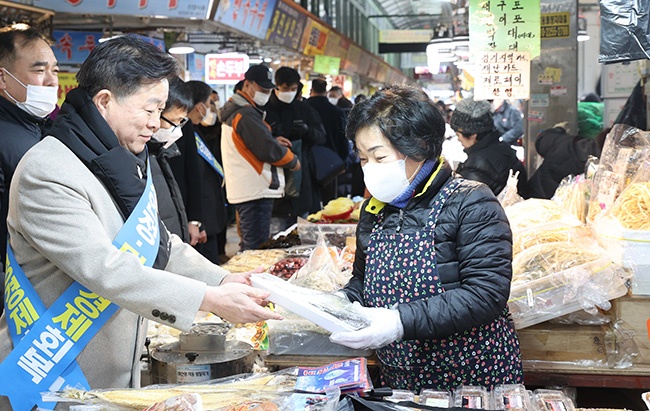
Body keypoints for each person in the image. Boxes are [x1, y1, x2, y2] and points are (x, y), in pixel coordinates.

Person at [0, 36, 280, 410]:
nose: (155, 124)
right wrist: (208, 299)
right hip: (55, 375)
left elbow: (159, 243)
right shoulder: (48, 171)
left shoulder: (118, 158)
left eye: (161, 110)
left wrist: (222, 279)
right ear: (104, 101)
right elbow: (105, 269)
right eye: (149, 110)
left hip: (111, 373)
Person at [329, 85, 523, 392]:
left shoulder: (471, 201)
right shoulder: (375, 208)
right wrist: (341, 301)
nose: (370, 170)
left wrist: (398, 322)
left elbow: (486, 293)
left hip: (471, 376)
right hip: (401, 377)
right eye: (363, 159)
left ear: (419, 147)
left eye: (379, 156)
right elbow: (362, 280)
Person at [0, 24, 59, 318]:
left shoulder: (40, 129)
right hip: (15, 294)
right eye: (39, 70)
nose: (50, 81)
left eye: (55, 70)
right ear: (2, 77)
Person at [219, 64, 300, 251]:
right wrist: (291, 160)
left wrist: (272, 139)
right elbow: (265, 148)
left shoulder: (240, 110)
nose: (265, 93)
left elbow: (256, 141)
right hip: (254, 189)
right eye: (262, 89)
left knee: (250, 242)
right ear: (247, 85)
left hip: (246, 188)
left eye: (268, 90)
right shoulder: (245, 114)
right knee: (255, 246)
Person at [170, 80, 228, 264]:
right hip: (186, 221)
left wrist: (198, 221)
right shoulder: (176, 130)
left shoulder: (189, 129)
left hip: (202, 218)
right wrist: (194, 220)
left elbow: (196, 175)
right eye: (210, 103)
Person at [264, 66, 326, 229]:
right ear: (276, 86)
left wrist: (307, 131)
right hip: (273, 187)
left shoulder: (303, 109)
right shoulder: (264, 110)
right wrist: (272, 140)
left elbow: (321, 136)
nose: (289, 93)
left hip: (302, 184)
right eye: (285, 89)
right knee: (276, 238)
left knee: (302, 239)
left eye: (293, 89)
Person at [450, 97, 528, 197]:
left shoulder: (477, 165)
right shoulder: (502, 148)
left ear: (473, 135)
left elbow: (461, 200)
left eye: (458, 135)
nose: (458, 139)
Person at [148, 76, 194, 243]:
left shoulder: (160, 153)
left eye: (181, 122)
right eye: (174, 121)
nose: (177, 130)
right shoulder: (141, 154)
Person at [527, 124, 608, 199]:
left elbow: (541, 142)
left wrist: (558, 129)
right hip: (545, 206)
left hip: (532, 199)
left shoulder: (570, 142)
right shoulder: (606, 174)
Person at [307, 79, 350, 204]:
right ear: (326, 92)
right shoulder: (336, 112)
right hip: (331, 164)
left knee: (311, 202)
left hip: (308, 163)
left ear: (311, 90)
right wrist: (343, 161)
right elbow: (343, 139)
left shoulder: (304, 109)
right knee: (329, 203)